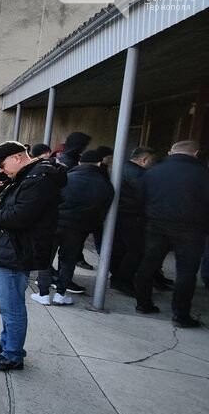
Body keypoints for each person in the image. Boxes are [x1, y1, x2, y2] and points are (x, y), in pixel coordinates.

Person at [0, 141, 66, 371]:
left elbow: (18, 217)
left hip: (19, 248)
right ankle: (6, 343)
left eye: (2, 165)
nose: (1, 170)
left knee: (11, 304)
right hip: (15, 246)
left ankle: (12, 354)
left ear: (17, 158)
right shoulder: (32, 176)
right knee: (5, 300)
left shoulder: (37, 179)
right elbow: (17, 208)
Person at [133, 140, 209, 327]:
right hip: (191, 228)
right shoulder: (203, 174)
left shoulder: (153, 172)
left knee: (148, 264)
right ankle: (180, 315)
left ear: (170, 152)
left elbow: (140, 199)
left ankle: (143, 303)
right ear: (196, 153)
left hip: (156, 224)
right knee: (186, 272)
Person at [33, 149, 113, 306]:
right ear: (99, 163)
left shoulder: (67, 178)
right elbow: (103, 212)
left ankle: (43, 293)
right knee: (68, 261)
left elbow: (47, 199)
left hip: (54, 223)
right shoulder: (105, 185)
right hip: (78, 229)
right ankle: (60, 294)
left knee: (45, 257)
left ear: (79, 162)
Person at [110, 147, 156, 294]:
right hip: (131, 215)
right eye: (152, 161)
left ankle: (118, 277)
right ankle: (122, 280)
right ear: (144, 159)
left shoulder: (121, 167)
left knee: (122, 249)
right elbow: (147, 194)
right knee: (136, 250)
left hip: (121, 213)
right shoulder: (138, 173)